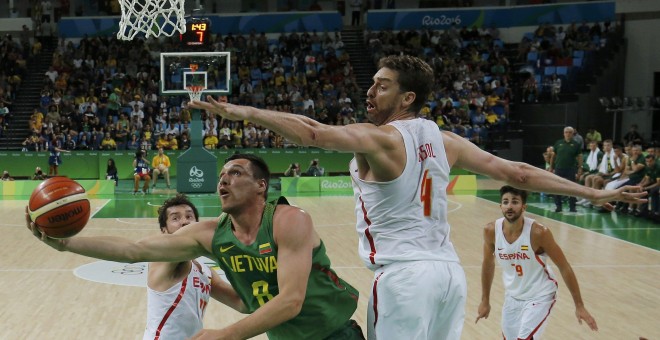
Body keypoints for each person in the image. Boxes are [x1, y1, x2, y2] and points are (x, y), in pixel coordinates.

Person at [189, 55, 644, 340]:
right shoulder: (445, 140)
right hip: (450, 277)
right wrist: (591, 190)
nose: (370, 90)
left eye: (381, 85)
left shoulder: (381, 138)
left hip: (405, 279)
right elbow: (517, 172)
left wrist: (238, 111)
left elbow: (312, 131)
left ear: (407, 97)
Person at [26, 154, 364, 340]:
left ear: (261, 186)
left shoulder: (289, 220)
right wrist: (68, 244)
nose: (223, 180)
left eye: (235, 173)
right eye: (221, 176)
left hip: (332, 334)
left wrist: (227, 335)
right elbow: (134, 249)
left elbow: (290, 301)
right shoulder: (209, 235)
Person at [475, 186, 598, 339]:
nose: (510, 206)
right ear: (500, 207)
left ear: (524, 207)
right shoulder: (490, 231)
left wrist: (579, 305)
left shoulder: (539, 233)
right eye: (505, 202)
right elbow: (488, 264)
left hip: (540, 294)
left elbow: (564, 266)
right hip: (513, 295)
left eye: (515, 202)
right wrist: (485, 300)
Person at [144, 193, 244, 339]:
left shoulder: (204, 271)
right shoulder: (162, 260)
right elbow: (187, 244)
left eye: (189, 217)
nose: (184, 222)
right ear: (164, 231)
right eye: (175, 218)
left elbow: (241, 303)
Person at [549, 127, 583, 213]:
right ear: (563, 133)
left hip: (571, 169)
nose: (568, 134)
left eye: (570, 132)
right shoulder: (558, 143)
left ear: (572, 134)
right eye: (566, 132)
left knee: (572, 188)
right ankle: (558, 206)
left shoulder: (576, 144)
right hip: (559, 168)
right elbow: (553, 156)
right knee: (556, 188)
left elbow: (579, 157)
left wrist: (580, 168)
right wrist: (551, 167)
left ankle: (572, 207)